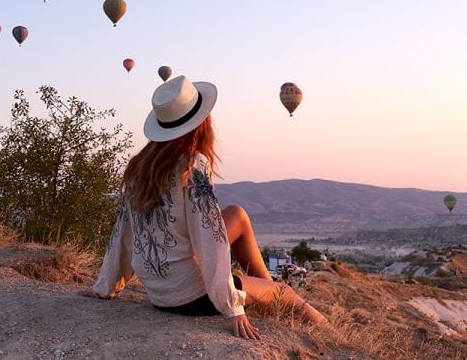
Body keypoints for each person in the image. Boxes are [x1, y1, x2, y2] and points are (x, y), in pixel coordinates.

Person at [80, 76, 326, 339]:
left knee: (237, 215)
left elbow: (124, 234)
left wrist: (105, 286)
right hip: (193, 297)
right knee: (287, 293)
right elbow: (209, 235)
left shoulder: (139, 167)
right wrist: (232, 306)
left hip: (159, 291)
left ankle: (265, 290)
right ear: (200, 123)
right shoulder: (192, 165)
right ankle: (331, 332)